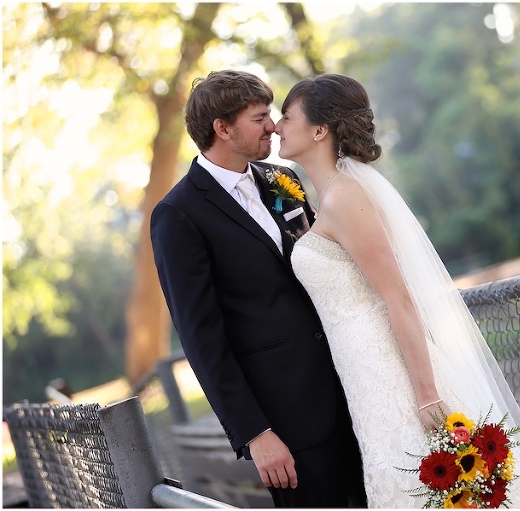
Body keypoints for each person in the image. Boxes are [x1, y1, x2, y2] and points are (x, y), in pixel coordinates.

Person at [276, 73, 520, 508]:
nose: (277, 126)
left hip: (391, 371)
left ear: (318, 130)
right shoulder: (329, 196)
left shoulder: (345, 197)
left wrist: (427, 394)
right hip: (363, 377)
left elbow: (397, 296)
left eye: (285, 116)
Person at [150, 70, 367, 508]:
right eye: (259, 117)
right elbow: (201, 339)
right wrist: (255, 433)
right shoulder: (178, 215)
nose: (273, 125)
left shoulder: (279, 179)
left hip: (356, 386)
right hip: (288, 422)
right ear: (223, 129)